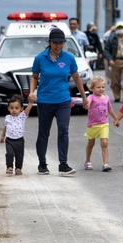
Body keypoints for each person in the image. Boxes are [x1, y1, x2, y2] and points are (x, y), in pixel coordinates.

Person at [28, 26, 89, 176]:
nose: (58, 46)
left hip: (63, 100)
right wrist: (31, 92)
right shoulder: (40, 58)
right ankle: (42, 164)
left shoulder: (69, 58)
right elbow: (34, 77)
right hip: (45, 101)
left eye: (61, 43)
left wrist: (84, 97)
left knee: (63, 131)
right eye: (55, 43)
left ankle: (63, 165)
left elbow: (76, 78)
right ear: (49, 42)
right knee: (43, 133)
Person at [83, 75, 120, 172]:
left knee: (104, 143)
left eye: (103, 87)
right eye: (98, 87)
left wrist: (116, 118)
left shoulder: (106, 97)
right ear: (92, 88)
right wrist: (86, 105)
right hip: (92, 125)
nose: (101, 89)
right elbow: (88, 103)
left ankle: (105, 164)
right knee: (91, 143)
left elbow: (110, 109)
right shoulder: (91, 97)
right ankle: (87, 160)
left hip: (104, 124)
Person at [0, 94, 32, 175]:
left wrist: (31, 103)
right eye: (12, 108)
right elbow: (6, 127)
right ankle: (9, 167)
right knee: (9, 154)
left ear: (21, 108)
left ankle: (18, 168)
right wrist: (2, 136)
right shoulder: (8, 117)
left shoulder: (22, 116)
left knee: (19, 155)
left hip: (19, 140)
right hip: (9, 140)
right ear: (8, 108)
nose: (14, 110)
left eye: (16, 108)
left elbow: (27, 110)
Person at [104, 20, 123, 101]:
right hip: (115, 61)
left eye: (122, 28)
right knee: (115, 80)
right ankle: (116, 96)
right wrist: (110, 59)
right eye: (119, 28)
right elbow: (106, 50)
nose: (120, 29)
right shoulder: (112, 38)